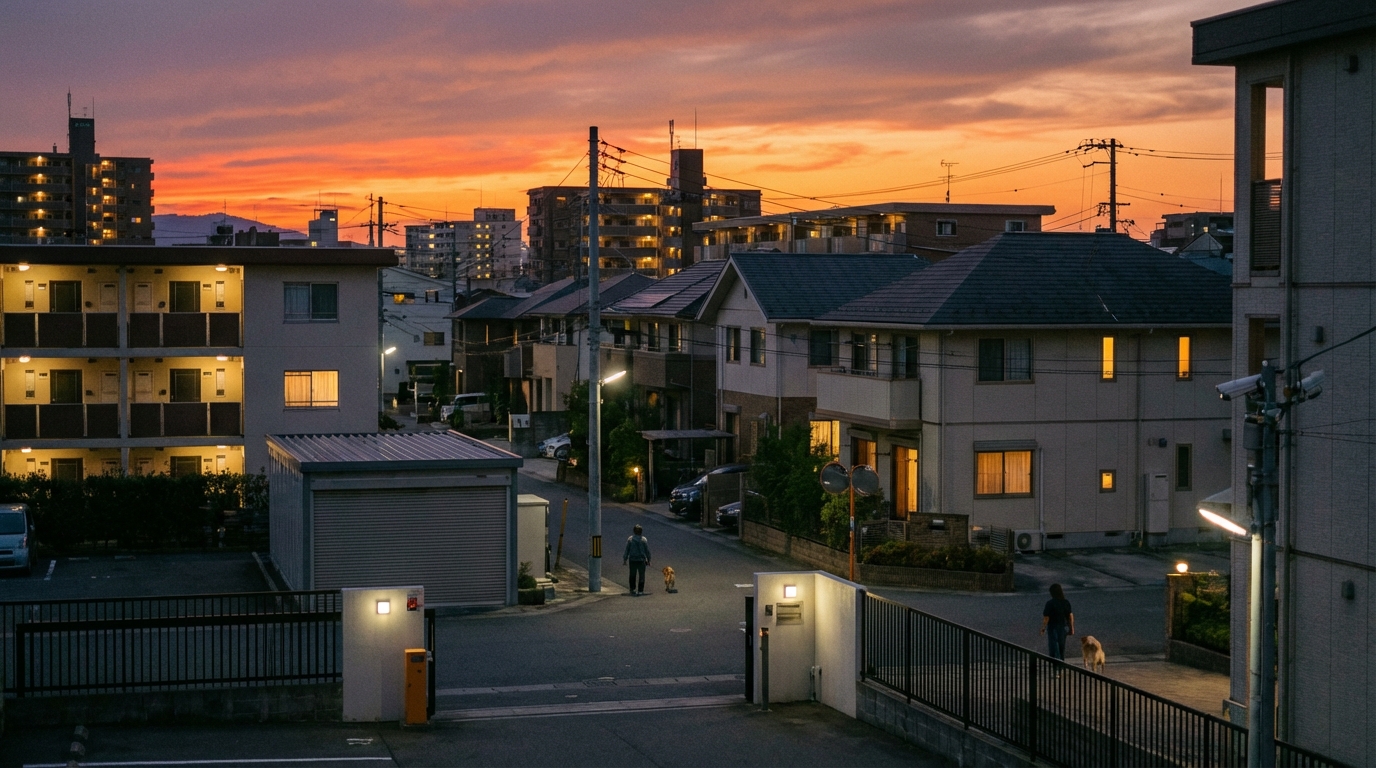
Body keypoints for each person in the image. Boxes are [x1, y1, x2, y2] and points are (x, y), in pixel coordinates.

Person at [1040, 583, 1075, 663]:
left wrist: (1043, 627)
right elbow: (1070, 616)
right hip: (1063, 627)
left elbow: (1046, 617)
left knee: (1053, 648)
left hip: (1053, 628)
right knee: (1061, 648)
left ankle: (1056, 667)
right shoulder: (1065, 602)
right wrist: (1071, 628)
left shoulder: (1050, 603)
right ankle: (1060, 666)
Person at [623, 524, 651, 596]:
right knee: (641, 575)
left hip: (632, 560)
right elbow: (647, 551)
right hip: (641, 560)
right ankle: (640, 590)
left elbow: (627, 550)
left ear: (634, 531)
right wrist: (649, 559)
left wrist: (625, 559)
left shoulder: (630, 539)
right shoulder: (643, 540)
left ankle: (632, 589)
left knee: (632, 575)